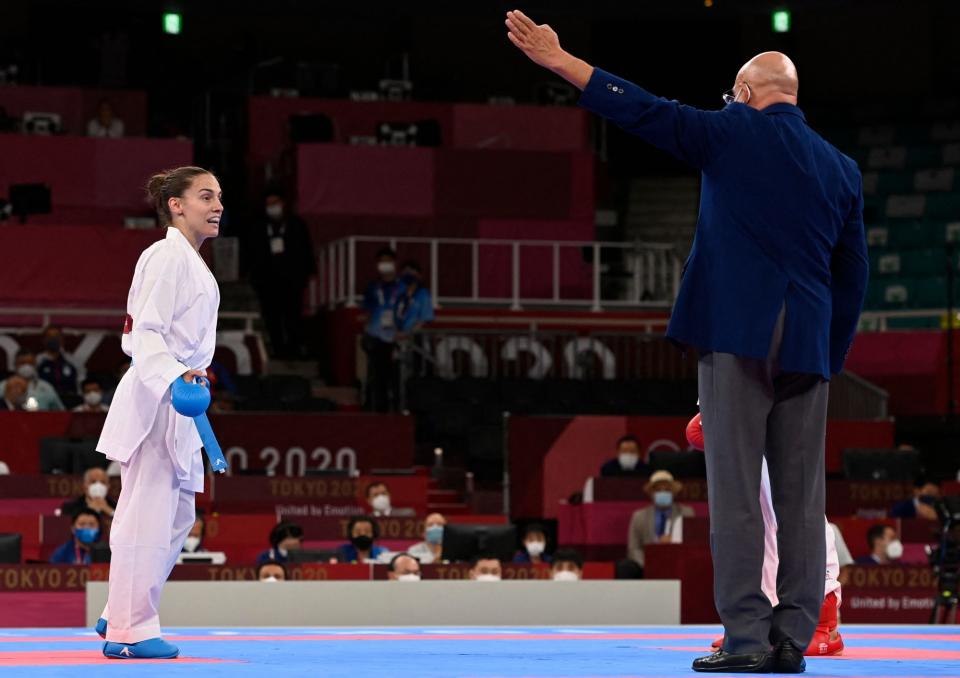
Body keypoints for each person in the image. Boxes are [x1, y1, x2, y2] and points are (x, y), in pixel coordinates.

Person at [504, 11, 868, 673]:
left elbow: (645, 110)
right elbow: (854, 275)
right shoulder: (841, 168)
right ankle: (793, 640)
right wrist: (828, 354)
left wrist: (561, 62)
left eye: (734, 96)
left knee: (736, 492)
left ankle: (748, 640)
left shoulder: (732, 132)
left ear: (750, 95)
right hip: (809, 342)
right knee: (800, 495)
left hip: (739, 331)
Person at [94, 166, 223, 660]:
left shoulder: (189, 261)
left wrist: (188, 375)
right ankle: (129, 631)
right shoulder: (166, 257)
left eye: (219, 198)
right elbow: (142, 333)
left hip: (181, 394)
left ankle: (117, 606)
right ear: (176, 205)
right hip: (159, 395)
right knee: (144, 516)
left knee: (177, 515)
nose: (217, 206)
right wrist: (173, 375)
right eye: (205, 197)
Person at [688, 413, 844, 657]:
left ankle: (824, 626)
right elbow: (697, 431)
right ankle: (756, 627)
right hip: (749, 424)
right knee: (755, 525)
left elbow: (698, 431)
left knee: (795, 513)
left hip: (774, 418)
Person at [248, 187, 316, 359]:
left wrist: (308, 273)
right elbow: (253, 254)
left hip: (292, 281)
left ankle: (294, 349)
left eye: (275, 203)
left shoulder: (296, 224)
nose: (272, 207)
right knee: (272, 317)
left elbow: (306, 250)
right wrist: (256, 279)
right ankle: (278, 350)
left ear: (283, 204)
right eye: (269, 204)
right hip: (268, 282)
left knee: (292, 316)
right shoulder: (258, 227)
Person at [626, 470, 693, 575]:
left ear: (673, 493)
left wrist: (674, 540)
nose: (663, 492)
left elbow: (690, 544)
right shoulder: (639, 516)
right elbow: (634, 548)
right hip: (646, 563)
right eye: (658, 490)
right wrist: (648, 563)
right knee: (626, 567)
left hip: (676, 561)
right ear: (651, 493)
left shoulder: (686, 513)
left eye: (667, 490)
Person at [362, 248, 404, 412]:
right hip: (378, 337)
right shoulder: (373, 287)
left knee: (396, 376)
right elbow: (368, 312)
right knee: (377, 376)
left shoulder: (403, 288)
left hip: (397, 336)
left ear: (395, 263)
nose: (385, 265)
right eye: (382, 262)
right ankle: (377, 410)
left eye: (388, 261)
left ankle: (398, 409)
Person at [0, 349, 64, 410]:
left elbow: (61, 412)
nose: (26, 366)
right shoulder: (4, 385)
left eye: (30, 363)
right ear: (15, 364)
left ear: (35, 364)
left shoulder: (47, 387)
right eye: (22, 363)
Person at [36, 326, 79, 399]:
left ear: (62, 339)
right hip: (44, 399)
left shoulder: (73, 360)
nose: (53, 339)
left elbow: (80, 381)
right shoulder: (37, 360)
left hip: (69, 399)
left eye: (56, 336)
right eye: (49, 336)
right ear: (43, 340)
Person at [396, 261, 434, 337]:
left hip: (414, 336)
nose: (408, 275)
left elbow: (423, 320)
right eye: (405, 272)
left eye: (411, 272)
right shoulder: (396, 290)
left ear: (419, 275)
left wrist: (407, 334)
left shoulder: (423, 294)